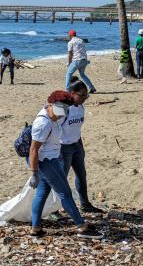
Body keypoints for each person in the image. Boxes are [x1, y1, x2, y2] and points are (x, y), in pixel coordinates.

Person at [28, 90, 103, 239]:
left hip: (52, 158)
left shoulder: (54, 114)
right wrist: (34, 173)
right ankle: (82, 226)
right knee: (65, 193)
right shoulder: (42, 123)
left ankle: (35, 228)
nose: (63, 113)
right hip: (45, 161)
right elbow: (33, 149)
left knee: (42, 192)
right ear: (52, 104)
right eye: (61, 108)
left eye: (66, 109)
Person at [61, 77, 103, 213]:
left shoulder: (81, 107)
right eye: (82, 95)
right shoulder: (63, 109)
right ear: (72, 93)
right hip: (63, 148)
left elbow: (77, 128)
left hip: (77, 145)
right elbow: (53, 130)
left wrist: (80, 145)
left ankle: (85, 204)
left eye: (86, 95)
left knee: (81, 175)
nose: (85, 98)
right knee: (60, 180)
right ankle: (53, 211)